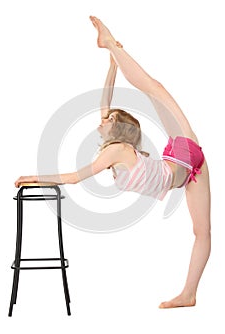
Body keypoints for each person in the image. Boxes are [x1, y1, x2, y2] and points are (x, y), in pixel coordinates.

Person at [15, 16, 211, 309]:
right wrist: (111, 67)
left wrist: (35, 177)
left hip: (185, 156)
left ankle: (111, 43)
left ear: (118, 129)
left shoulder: (116, 150)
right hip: (183, 166)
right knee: (202, 232)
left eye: (108, 119)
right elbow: (105, 104)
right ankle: (189, 295)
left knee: (154, 88)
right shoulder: (116, 150)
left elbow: (73, 177)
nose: (102, 118)